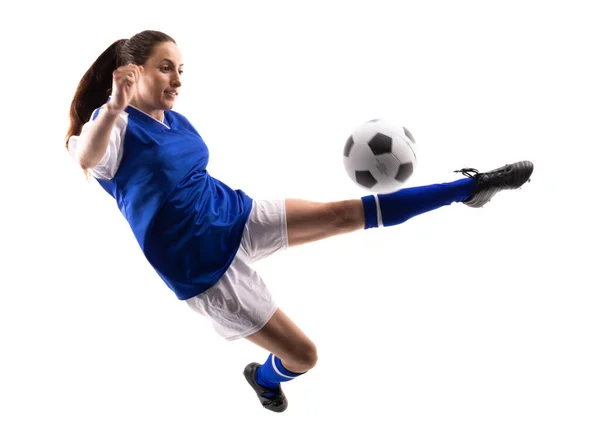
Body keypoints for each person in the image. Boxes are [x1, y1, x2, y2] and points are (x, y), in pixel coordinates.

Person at [65, 30, 534, 413]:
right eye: (166, 67)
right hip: (203, 268)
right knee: (304, 356)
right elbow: (86, 154)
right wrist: (114, 104)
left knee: (341, 214)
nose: (178, 79)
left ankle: (469, 189)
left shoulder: (175, 120)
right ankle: (264, 379)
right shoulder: (114, 127)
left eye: (181, 69)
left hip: (232, 212)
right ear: (131, 72)